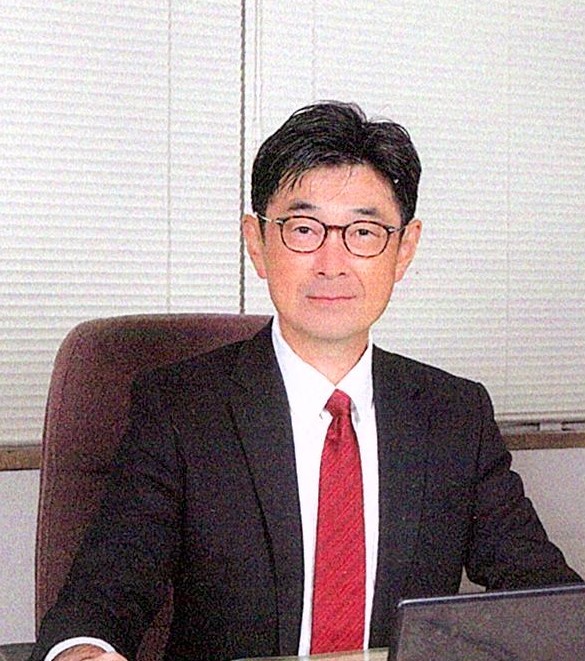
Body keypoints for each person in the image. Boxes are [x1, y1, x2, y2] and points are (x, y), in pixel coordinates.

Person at [31, 102, 581, 661]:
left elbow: (546, 596)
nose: (331, 262)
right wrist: (83, 651)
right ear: (257, 242)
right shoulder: (181, 409)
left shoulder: (453, 414)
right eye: (303, 229)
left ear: (404, 250)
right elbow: (99, 600)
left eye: (364, 232)